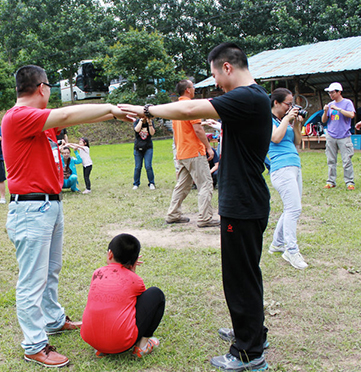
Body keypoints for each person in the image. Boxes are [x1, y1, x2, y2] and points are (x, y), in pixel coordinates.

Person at [120, 42, 271, 371]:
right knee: (247, 273)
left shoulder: (247, 96)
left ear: (227, 67)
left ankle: (249, 352)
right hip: (247, 199)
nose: (216, 82)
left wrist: (146, 109)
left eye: (216, 74)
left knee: (239, 277)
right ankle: (252, 332)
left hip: (243, 202)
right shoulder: (253, 98)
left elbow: (189, 110)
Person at [1, 64, 129, 367]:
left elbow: (76, 116)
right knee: (32, 280)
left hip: (48, 205)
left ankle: (53, 319)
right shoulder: (19, 117)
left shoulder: (40, 122)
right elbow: (68, 115)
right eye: (50, 88)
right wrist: (110, 105)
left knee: (51, 270)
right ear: (42, 88)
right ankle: (34, 344)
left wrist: (113, 113)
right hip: (31, 208)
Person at [81, 233, 165, 358]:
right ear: (135, 260)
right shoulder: (135, 280)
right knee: (156, 294)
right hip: (121, 344)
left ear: (110, 254)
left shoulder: (97, 273)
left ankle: (101, 349)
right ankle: (142, 346)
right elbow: (141, 304)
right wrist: (132, 272)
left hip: (90, 339)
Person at [166, 79, 218, 228]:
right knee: (206, 184)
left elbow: (176, 133)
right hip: (194, 151)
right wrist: (208, 147)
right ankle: (205, 218)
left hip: (182, 152)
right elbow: (198, 129)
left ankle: (173, 214)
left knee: (182, 185)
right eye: (193, 87)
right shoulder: (191, 106)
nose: (194, 89)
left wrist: (177, 150)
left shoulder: (176, 107)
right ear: (188, 90)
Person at [267, 88, 308, 270]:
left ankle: (277, 244)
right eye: (288, 104)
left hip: (294, 164)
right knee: (294, 209)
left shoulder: (284, 121)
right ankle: (291, 250)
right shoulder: (266, 119)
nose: (290, 107)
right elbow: (275, 138)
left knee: (291, 207)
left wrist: (297, 124)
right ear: (276, 103)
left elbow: (297, 141)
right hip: (281, 167)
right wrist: (286, 119)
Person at [321, 82, 356, 190]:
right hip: (331, 135)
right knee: (331, 160)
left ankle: (349, 182)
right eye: (329, 93)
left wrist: (339, 109)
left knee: (347, 160)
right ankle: (331, 181)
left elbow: (351, 115)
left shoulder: (347, 103)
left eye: (332, 92)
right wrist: (325, 111)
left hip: (344, 136)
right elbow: (323, 120)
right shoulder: (330, 105)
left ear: (339, 92)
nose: (330, 95)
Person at [132, 117, 156, 190]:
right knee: (138, 167)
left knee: (148, 166)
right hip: (138, 148)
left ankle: (151, 183)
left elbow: (152, 133)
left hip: (148, 147)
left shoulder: (151, 122)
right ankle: (136, 183)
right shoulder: (137, 121)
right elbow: (137, 129)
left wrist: (150, 123)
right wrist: (141, 120)